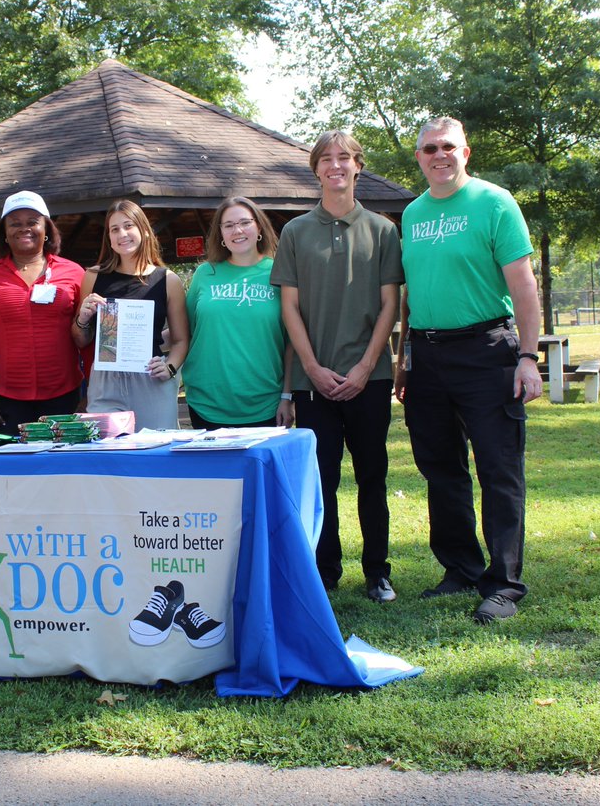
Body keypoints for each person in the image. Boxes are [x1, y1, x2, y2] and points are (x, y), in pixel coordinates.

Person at [395, 116, 542, 624]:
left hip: (487, 350)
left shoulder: (495, 203)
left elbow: (523, 283)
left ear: (466, 152)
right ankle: (460, 568)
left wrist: (528, 356)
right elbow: (411, 294)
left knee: (499, 469)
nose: (439, 155)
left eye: (448, 147)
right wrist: (404, 362)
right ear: (419, 157)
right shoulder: (412, 214)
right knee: (440, 468)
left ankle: (503, 585)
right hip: (428, 356)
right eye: (429, 148)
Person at [270, 132, 403, 603]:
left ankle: (377, 572)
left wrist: (367, 366)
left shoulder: (384, 230)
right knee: (321, 479)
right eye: (326, 159)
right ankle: (325, 571)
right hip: (313, 380)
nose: (335, 166)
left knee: (373, 475)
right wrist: (311, 367)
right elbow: (289, 308)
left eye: (343, 157)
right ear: (316, 170)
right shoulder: (295, 232)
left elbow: (391, 304)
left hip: (370, 377)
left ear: (357, 166)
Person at [0, 190, 85, 436]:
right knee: (11, 471)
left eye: (32, 222)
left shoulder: (75, 273)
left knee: (65, 470)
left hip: (66, 396)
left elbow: (90, 336)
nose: (23, 228)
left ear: (47, 229)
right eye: (15, 223)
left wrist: (91, 395)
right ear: (4, 233)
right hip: (7, 401)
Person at [71, 201, 188, 430]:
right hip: (106, 380)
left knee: (156, 454)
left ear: (144, 230)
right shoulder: (93, 277)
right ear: (109, 237)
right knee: (108, 455)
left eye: (128, 226)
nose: (122, 234)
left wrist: (170, 367)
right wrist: (82, 318)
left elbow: (181, 339)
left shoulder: (168, 280)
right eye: (115, 229)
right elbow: (80, 339)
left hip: (151, 377)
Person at [181, 197, 293, 430]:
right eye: (228, 225)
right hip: (207, 402)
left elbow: (292, 342)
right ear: (220, 233)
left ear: (259, 227)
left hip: (266, 402)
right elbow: (184, 329)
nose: (237, 230)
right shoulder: (205, 273)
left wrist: (287, 396)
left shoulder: (281, 272)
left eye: (244, 222)